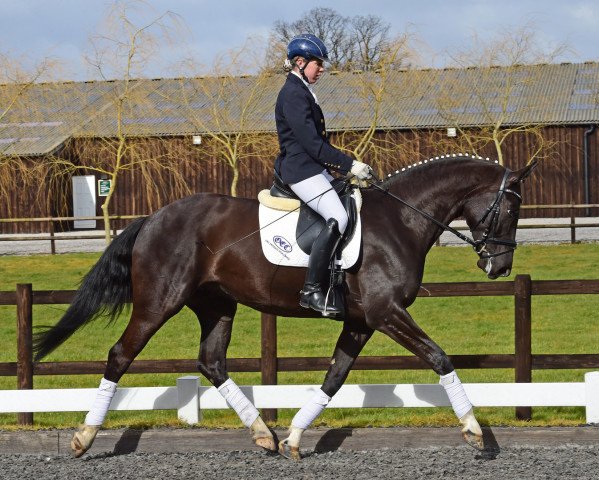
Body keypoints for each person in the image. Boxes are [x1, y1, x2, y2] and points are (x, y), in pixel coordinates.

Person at [274, 33, 373, 316]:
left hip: (312, 168)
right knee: (338, 217)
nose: (322, 68)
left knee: (351, 201)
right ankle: (312, 290)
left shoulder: (302, 89)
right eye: (318, 63)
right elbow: (312, 144)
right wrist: (350, 164)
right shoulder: (293, 93)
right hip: (301, 171)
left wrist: (341, 169)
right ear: (300, 62)